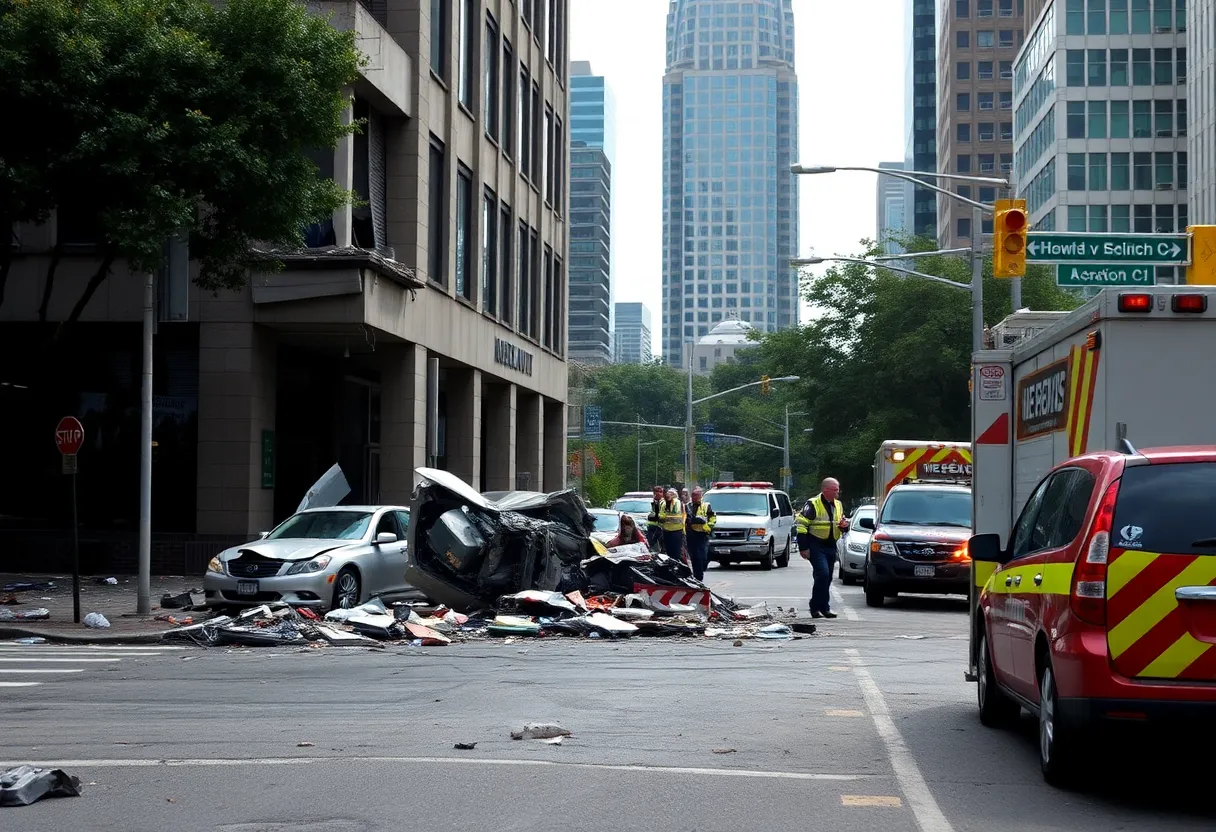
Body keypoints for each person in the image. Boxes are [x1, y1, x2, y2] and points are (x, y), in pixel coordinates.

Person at [796, 477, 849, 619]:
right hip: (816, 544)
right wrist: (803, 547)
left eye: (838, 490)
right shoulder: (812, 504)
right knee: (823, 574)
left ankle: (824, 608)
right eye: (835, 490)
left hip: (831, 545)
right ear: (825, 490)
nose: (838, 493)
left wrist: (844, 526)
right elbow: (801, 525)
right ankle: (815, 607)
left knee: (828, 578)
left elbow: (840, 523)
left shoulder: (838, 504)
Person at [684, 486, 717, 581]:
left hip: (702, 534)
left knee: (701, 556)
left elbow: (712, 518)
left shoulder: (706, 506)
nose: (695, 497)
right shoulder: (688, 506)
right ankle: (697, 577)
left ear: (701, 496)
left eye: (697, 495)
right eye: (693, 495)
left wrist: (708, 527)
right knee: (694, 557)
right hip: (691, 534)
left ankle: (701, 570)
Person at [658, 488, 687, 565]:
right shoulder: (664, 503)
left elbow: (683, 515)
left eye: (670, 494)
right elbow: (661, 515)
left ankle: (676, 565)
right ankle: (673, 565)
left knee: (675, 551)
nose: (668, 496)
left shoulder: (678, 503)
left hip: (676, 531)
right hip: (667, 530)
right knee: (670, 551)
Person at [645, 485, 666, 553]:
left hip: (658, 527)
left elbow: (660, 516)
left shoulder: (663, 503)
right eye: (655, 493)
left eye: (658, 493)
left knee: (652, 544)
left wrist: (653, 517)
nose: (655, 495)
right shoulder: (656, 502)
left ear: (662, 493)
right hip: (654, 526)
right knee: (652, 545)